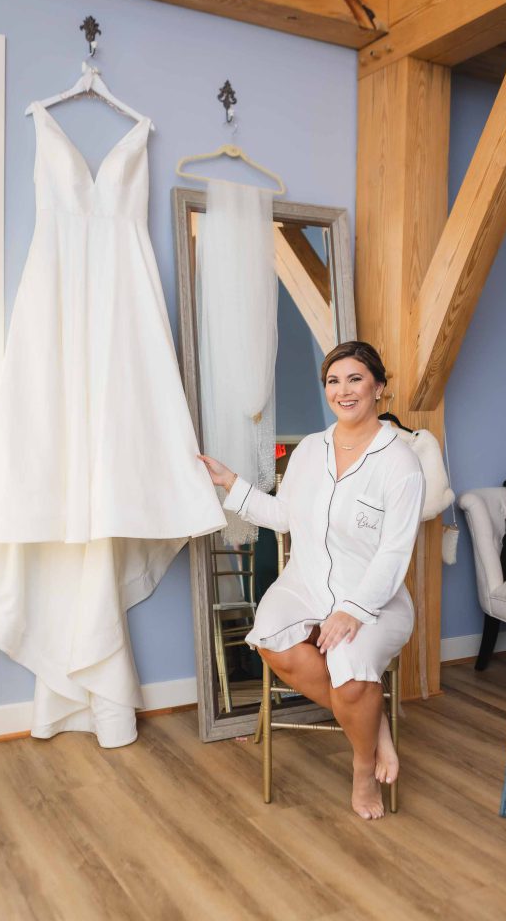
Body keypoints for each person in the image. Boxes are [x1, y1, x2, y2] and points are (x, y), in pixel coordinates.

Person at [199, 341, 425, 820]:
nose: (343, 391)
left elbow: (394, 552)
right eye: (333, 381)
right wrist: (231, 483)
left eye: (355, 379)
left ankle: (363, 767)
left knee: (351, 659)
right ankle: (373, 722)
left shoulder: (400, 463)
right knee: (269, 639)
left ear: (378, 388)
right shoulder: (308, 452)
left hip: (374, 598)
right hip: (305, 584)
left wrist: (353, 610)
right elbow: (284, 516)